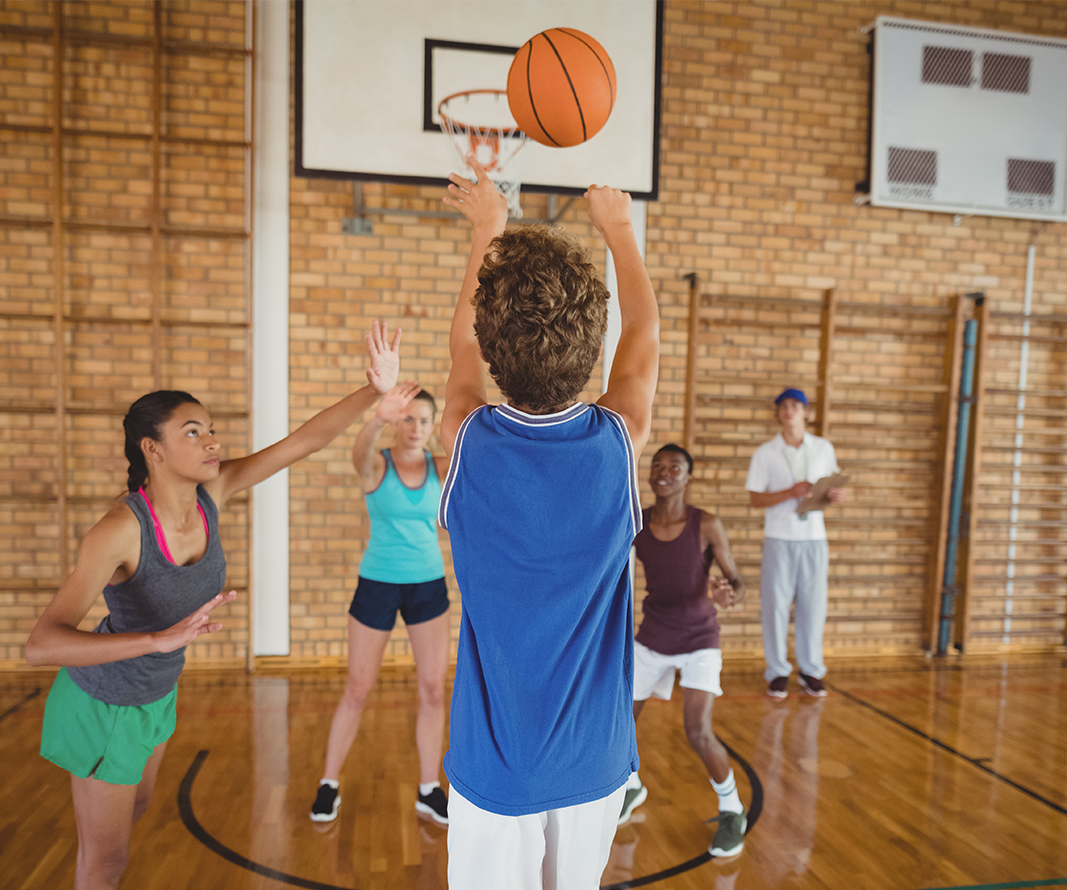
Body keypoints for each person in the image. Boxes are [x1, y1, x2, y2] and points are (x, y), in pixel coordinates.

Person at [25, 322, 403, 890]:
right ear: (152, 449)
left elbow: (300, 444)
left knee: (134, 813)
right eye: (193, 432)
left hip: (157, 694)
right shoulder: (118, 532)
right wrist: (156, 640)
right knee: (106, 862)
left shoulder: (212, 493)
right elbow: (42, 643)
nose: (212, 443)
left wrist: (372, 392)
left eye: (212, 431)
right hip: (106, 704)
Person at [438, 166, 659, 889]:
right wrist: (620, 230)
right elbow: (646, 333)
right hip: (593, 760)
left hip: (494, 764)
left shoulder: (466, 440)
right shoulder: (614, 444)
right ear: (591, 350)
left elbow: (461, 351)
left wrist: (487, 227)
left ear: (496, 348)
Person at [310, 384, 452, 826]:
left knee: (432, 689)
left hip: (428, 584)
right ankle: (329, 783)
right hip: (378, 583)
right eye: (407, 418)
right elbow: (359, 451)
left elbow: (475, 454)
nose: (415, 428)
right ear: (396, 421)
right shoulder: (377, 465)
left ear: (432, 426)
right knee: (358, 687)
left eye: (424, 420)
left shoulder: (440, 467)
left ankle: (430, 788)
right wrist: (377, 418)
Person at [620, 443, 748, 858]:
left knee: (697, 732)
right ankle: (632, 785)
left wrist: (730, 594)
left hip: (698, 639)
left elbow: (736, 582)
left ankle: (732, 809)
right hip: (654, 634)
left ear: (687, 479)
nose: (664, 472)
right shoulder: (638, 521)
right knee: (619, 723)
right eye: (657, 466)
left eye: (674, 467)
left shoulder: (706, 524)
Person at [744, 388, 848, 699]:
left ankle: (811, 670)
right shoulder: (765, 453)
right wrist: (790, 492)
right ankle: (777, 671)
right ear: (778, 413)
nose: (789, 411)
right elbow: (754, 499)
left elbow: (831, 486)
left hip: (815, 538)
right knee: (775, 607)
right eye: (783, 406)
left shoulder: (822, 448)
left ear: (806, 412)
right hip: (780, 537)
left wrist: (836, 495)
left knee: (813, 606)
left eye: (795, 406)